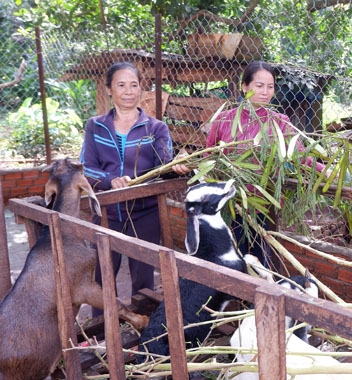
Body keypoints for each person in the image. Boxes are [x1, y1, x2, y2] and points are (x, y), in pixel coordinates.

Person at [80, 62, 190, 316]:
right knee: (103, 276)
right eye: (121, 85)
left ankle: (143, 334)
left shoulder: (155, 128)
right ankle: (103, 333)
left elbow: (163, 165)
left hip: (145, 212)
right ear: (109, 89)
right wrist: (110, 180)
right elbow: (86, 167)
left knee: (143, 280)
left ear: (142, 88)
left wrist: (179, 166)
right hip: (107, 214)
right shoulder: (95, 126)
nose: (129, 91)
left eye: (134, 85)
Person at [206, 61, 324, 268]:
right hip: (230, 204)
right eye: (259, 86)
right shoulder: (224, 120)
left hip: (262, 205)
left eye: (270, 87)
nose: (265, 92)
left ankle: (258, 299)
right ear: (244, 87)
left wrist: (326, 171)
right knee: (232, 259)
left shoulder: (279, 121)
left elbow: (300, 156)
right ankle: (235, 297)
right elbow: (209, 157)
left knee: (262, 260)